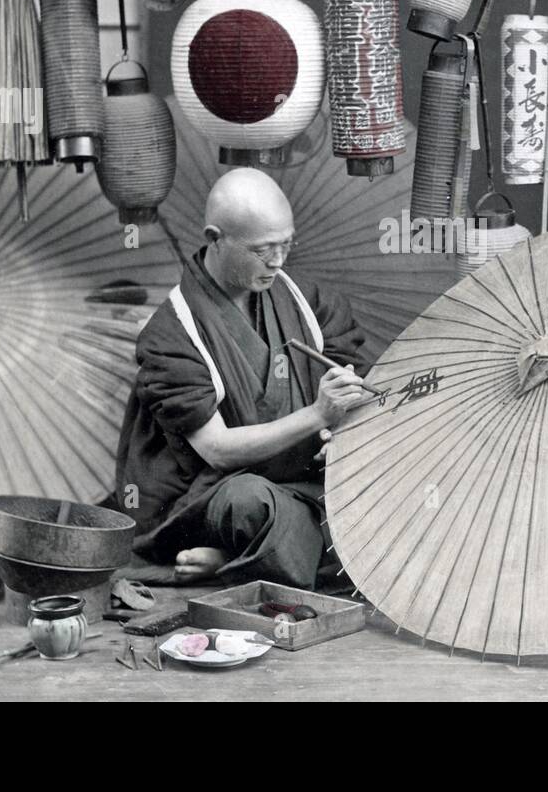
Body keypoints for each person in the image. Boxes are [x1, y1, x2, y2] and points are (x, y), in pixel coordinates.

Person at [114, 168, 370, 588]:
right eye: (262, 250)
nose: (278, 261)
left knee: (389, 477)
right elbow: (216, 451)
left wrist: (339, 435)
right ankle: (259, 551)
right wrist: (319, 415)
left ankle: (243, 557)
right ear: (214, 238)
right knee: (250, 505)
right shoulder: (172, 332)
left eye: (286, 244)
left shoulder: (305, 300)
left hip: (307, 478)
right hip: (217, 491)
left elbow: (346, 383)